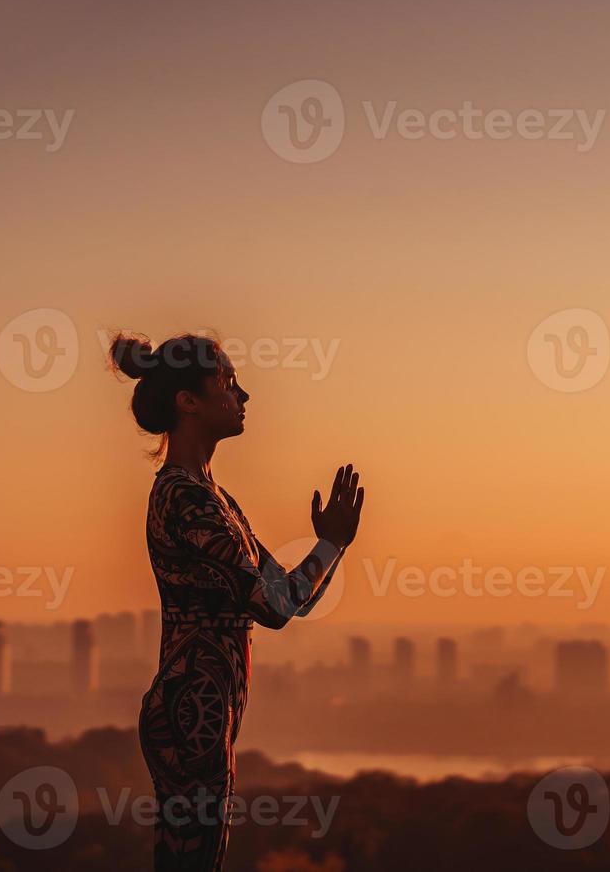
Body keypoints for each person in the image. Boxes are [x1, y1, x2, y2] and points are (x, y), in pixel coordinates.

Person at [110, 332, 364, 872]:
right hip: (191, 712)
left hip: (206, 709)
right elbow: (271, 608)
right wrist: (330, 543)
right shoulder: (185, 498)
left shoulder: (216, 499)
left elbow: (292, 601)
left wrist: (332, 545)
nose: (243, 395)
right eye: (228, 383)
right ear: (189, 401)